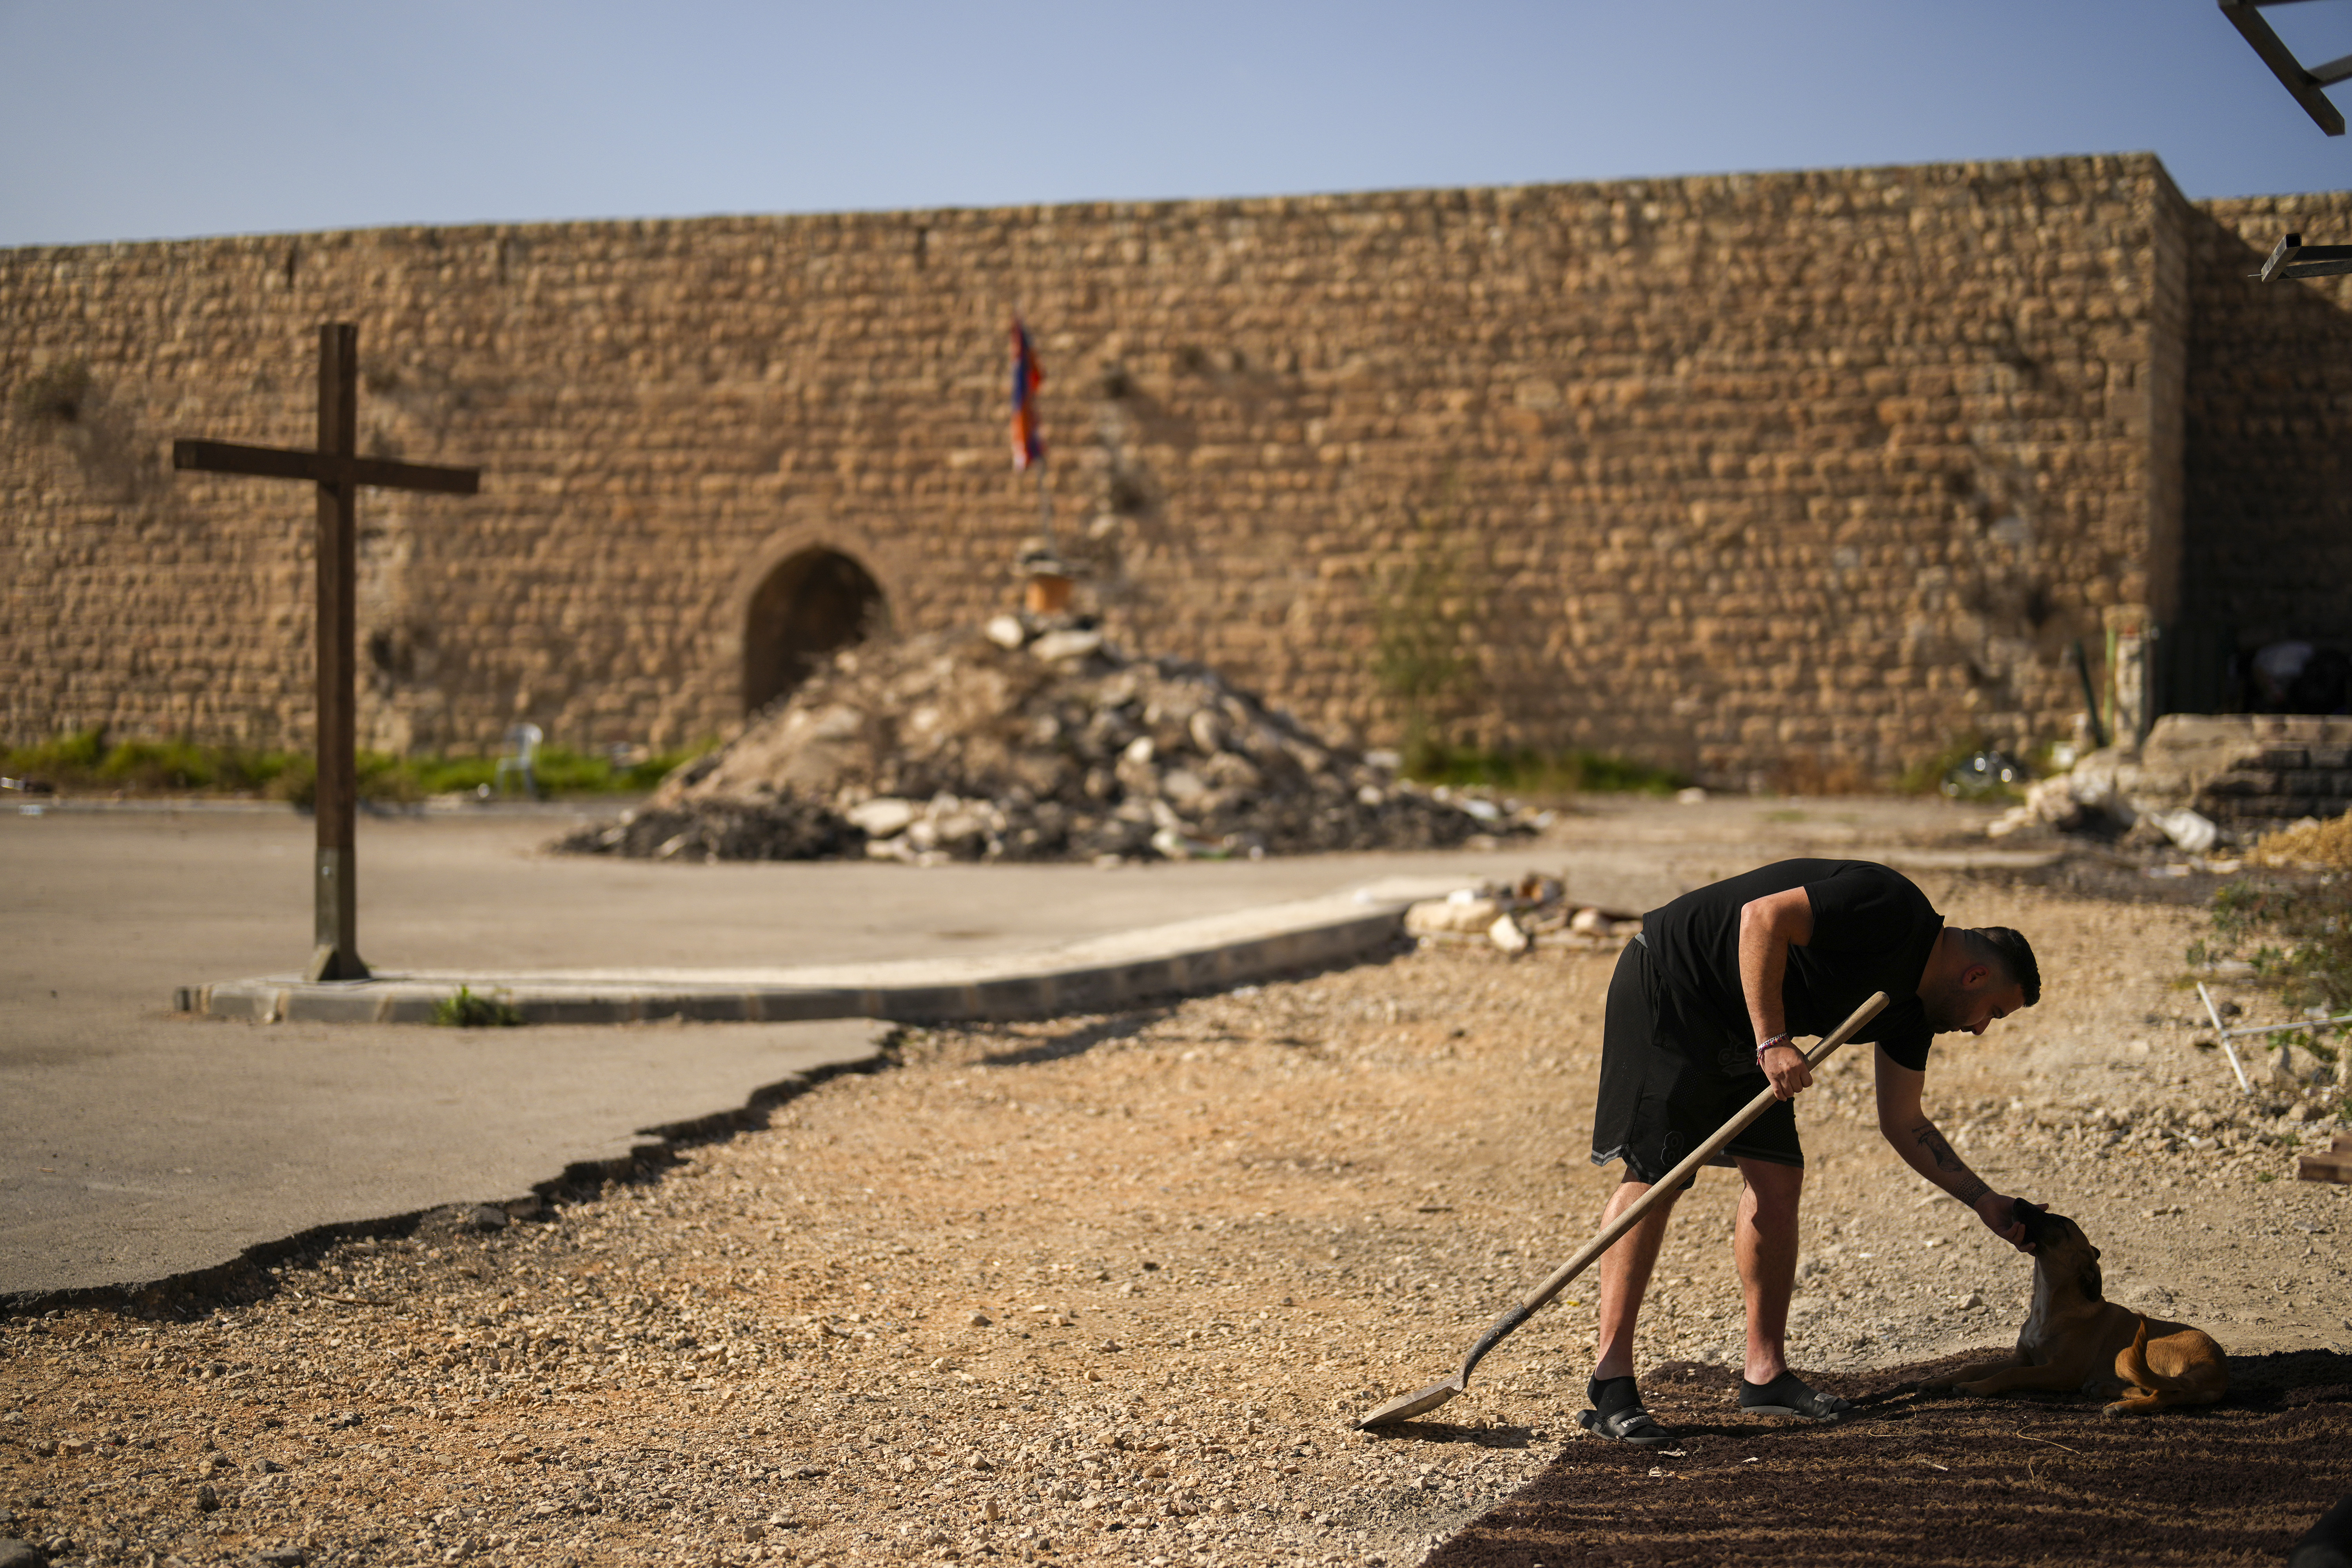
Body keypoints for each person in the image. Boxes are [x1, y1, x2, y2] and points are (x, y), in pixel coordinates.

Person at [1577, 858, 2041, 1445]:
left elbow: (1904, 1122)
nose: (1981, 1029)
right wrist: (1772, 1040)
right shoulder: (1890, 906)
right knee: (1659, 1175)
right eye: (1994, 1014)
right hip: (1678, 981)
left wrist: (1984, 1200)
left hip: (1747, 1016)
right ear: (1974, 977)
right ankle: (1611, 1383)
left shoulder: (1913, 1010)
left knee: (1777, 1181)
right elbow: (1763, 917)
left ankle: (1765, 1374)